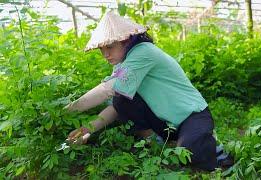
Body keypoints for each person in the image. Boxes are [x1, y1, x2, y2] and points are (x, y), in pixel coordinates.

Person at [65, 11, 219, 171]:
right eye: (101, 49)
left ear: (126, 40)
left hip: (192, 116)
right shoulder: (122, 64)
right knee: (121, 99)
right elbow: (116, 108)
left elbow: (106, 89)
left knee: (189, 151)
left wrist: (67, 110)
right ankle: (157, 146)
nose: (105, 54)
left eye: (110, 47)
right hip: (165, 123)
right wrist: (86, 130)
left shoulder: (144, 52)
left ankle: (213, 152)